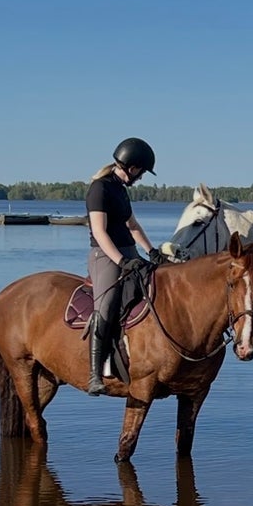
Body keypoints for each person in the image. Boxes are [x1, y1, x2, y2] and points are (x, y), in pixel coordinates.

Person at [85, 137, 165, 396]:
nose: (141, 177)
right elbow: (99, 232)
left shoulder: (121, 190)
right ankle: (95, 374)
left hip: (128, 253)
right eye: (141, 172)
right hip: (105, 256)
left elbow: (133, 226)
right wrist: (121, 261)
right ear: (132, 167)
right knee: (106, 307)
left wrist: (151, 252)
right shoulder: (100, 189)